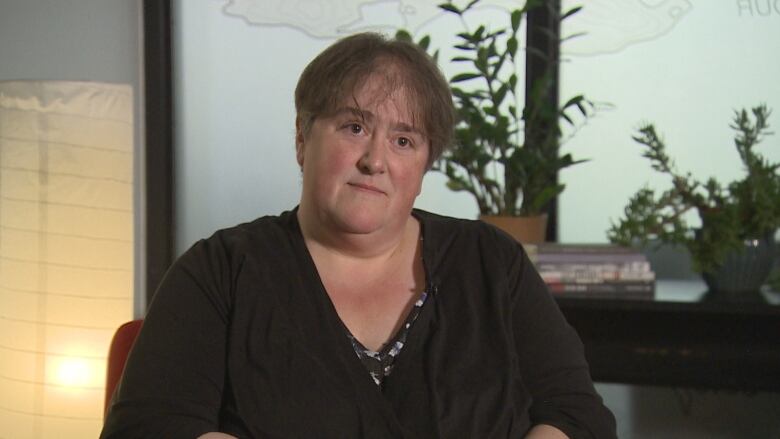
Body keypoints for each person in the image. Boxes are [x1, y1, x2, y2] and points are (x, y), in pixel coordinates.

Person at [101, 32, 616, 438]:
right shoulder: (220, 272)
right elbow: (147, 428)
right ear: (302, 137)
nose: (375, 160)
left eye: (403, 139)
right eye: (353, 127)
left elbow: (578, 415)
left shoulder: (491, 262)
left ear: (423, 164)